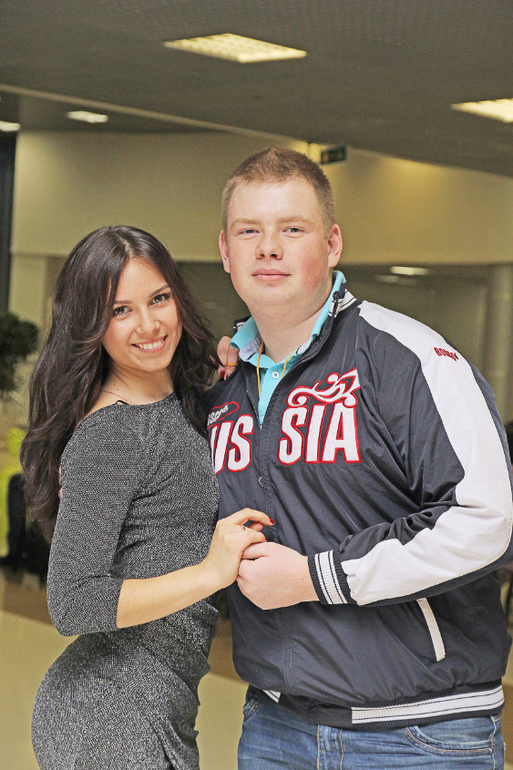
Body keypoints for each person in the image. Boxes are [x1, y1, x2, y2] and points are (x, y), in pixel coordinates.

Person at [209, 147, 513, 769]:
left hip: (421, 735)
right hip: (275, 725)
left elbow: (487, 520)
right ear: (225, 252)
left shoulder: (408, 358)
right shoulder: (221, 386)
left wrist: (316, 577)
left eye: (293, 229)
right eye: (249, 231)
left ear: (333, 244)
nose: (269, 248)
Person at [20, 225, 271, 770]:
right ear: (91, 325)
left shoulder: (179, 397)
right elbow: (72, 601)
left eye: (158, 299)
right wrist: (209, 573)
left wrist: (229, 371)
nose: (149, 325)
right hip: (109, 716)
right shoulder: (111, 433)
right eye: (120, 311)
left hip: (158, 704)